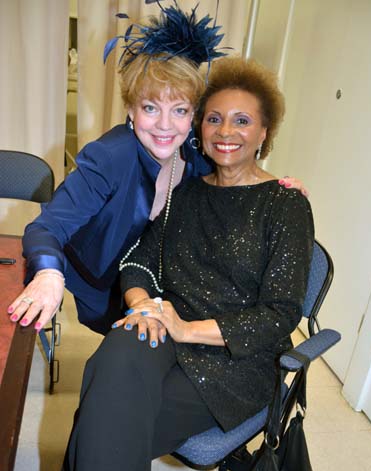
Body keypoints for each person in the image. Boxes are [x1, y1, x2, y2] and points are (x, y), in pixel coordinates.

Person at [27, 52, 314, 471]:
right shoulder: (185, 187)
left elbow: (280, 315)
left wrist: (185, 328)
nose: (225, 131)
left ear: (265, 132)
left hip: (230, 361)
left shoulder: (285, 206)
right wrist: (138, 303)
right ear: (198, 129)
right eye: (213, 118)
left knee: (98, 427)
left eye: (242, 121)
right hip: (164, 324)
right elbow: (138, 261)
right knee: (113, 359)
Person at [7, 3, 307, 336]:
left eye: (179, 110)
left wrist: (277, 187)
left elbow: (236, 174)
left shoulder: (197, 151)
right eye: (151, 107)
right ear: (132, 110)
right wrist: (49, 274)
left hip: (167, 283)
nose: (165, 125)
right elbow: (46, 227)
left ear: (192, 114)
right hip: (107, 281)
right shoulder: (109, 157)